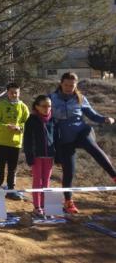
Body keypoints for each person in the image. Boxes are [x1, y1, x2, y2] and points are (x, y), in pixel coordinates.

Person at [50, 72, 116, 214]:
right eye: (66, 85)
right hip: (64, 138)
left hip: (81, 132)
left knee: (93, 148)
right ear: (61, 83)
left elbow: (92, 114)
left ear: (76, 85)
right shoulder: (52, 98)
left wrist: (105, 119)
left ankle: (114, 175)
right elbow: (44, 116)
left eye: (72, 85)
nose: (69, 88)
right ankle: (68, 202)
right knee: (69, 171)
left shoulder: (80, 98)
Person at [0, 82, 29, 200]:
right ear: (7, 92)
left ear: (19, 93)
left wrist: (20, 128)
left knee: (12, 168)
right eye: (11, 92)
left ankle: (11, 189)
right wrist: (5, 126)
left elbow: (27, 122)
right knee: (0, 166)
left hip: (16, 142)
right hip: (3, 141)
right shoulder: (1, 105)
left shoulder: (23, 107)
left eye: (16, 92)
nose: (14, 94)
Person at [23, 95, 55, 217]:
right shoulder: (31, 120)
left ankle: (45, 206)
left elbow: (55, 137)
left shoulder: (53, 119)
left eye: (49, 106)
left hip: (49, 156)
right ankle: (37, 207)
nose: (47, 108)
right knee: (37, 181)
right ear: (37, 106)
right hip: (36, 156)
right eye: (44, 106)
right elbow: (27, 140)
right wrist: (29, 155)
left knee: (46, 182)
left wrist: (58, 155)